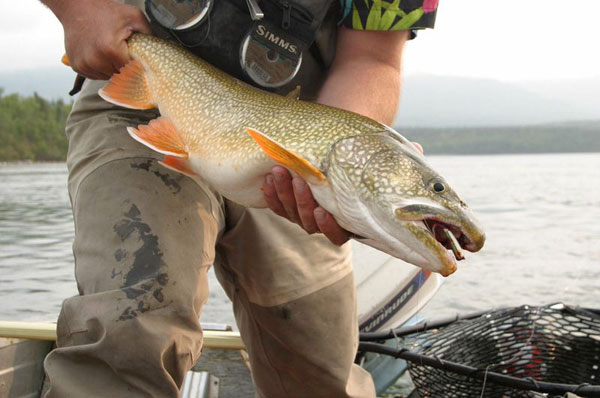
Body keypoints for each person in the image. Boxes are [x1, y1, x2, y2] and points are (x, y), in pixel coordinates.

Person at [40, 0, 437, 396]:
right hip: (140, 89)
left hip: (291, 143)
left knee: (320, 372)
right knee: (131, 328)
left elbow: (373, 59)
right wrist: (79, 8)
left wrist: (330, 165)